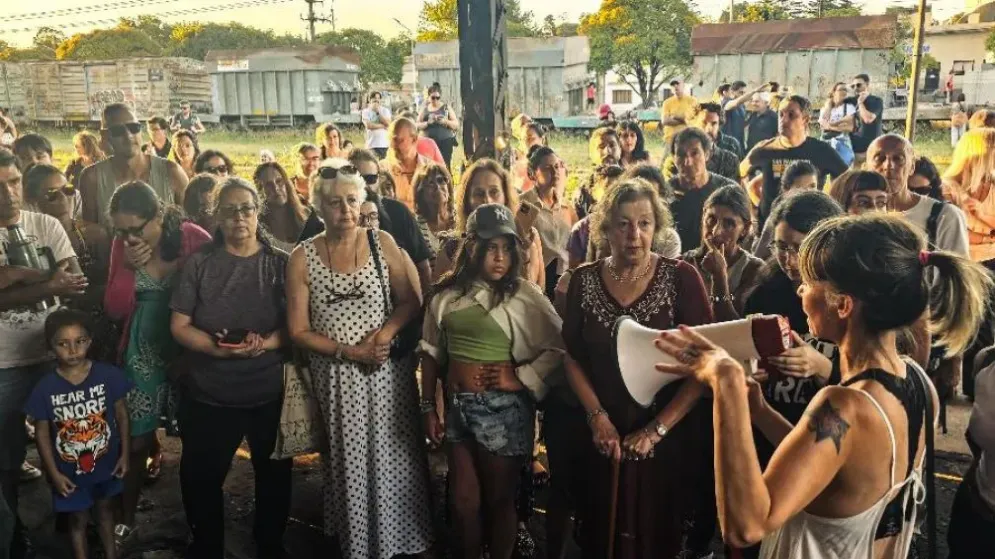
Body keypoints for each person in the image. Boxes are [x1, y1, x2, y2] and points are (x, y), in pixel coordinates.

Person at [655, 212, 988, 558]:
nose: (799, 289)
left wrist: (725, 385)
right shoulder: (917, 382)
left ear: (842, 305)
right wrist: (758, 410)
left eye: (810, 282)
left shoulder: (843, 406)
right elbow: (830, 464)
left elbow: (745, 526)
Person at [286, 158, 433, 558]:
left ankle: (401, 540)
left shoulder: (381, 242)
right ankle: (360, 543)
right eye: (335, 203)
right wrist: (349, 351)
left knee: (395, 454)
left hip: (387, 371)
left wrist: (383, 336)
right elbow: (298, 329)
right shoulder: (302, 257)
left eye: (352, 200)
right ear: (319, 207)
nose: (346, 210)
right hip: (336, 376)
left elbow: (412, 301)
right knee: (350, 459)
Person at [562, 179, 716, 557]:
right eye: (623, 224)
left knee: (655, 535)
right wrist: (597, 418)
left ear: (657, 227)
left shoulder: (682, 278)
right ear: (605, 228)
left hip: (667, 437)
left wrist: (656, 430)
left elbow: (705, 365)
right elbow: (571, 356)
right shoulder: (583, 281)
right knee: (602, 532)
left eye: (644, 223)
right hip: (603, 435)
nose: (634, 235)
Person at [421, 203, 564, 559]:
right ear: (471, 247)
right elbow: (431, 353)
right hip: (458, 412)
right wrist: (428, 406)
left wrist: (520, 378)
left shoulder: (524, 296)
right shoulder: (445, 296)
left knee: (501, 500)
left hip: (505, 413)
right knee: (463, 503)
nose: (499, 257)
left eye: (506, 247)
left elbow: (559, 348)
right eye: (490, 247)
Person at [170, 177, 291, 559]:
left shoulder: (281, 262)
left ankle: (269, 545)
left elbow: (299, 326)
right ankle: (206, 547)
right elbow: (179, 325)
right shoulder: (200, 264)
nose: (239, 217)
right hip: (210, 393)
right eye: (229, 210)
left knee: (274, 479)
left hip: (268, 392)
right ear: (216, 216)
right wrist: (217, 351)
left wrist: (264, 343)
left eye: (247, 209)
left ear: (258, 213)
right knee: (200, 479)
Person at [103, 182, 211, 540]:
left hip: (188, 350)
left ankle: (201, 519)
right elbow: (115, 308)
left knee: (197, 440)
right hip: (142, 352)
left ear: (160, 215)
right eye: (122, 230)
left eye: (137, 228)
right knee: (135, 441)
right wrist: (128, 269)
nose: (130, 237)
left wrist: (195, 352)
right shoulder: (123, 248)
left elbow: (214, 292)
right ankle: (126, 518)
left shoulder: (190, 236)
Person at [0, 149, 86, 559]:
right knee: (6, 459)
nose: (7, 193)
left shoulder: (46, 223)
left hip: (57, 359)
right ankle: (12, 536)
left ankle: (71, 530)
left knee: (70, 448)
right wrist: (46, 282)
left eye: (13, 182)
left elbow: (72, 282)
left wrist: (14, 279)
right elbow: (57, 283)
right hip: (3, 365)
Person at [24, 309, 131, 559]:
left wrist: (125, 454)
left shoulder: (109, 376)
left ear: (90, 341)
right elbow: (41, 435)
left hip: (107, 466)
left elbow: (122, 415)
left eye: (80, 342)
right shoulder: (45, 388)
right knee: (77, 521)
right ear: (50, 346)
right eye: (63, 344)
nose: (73, 351)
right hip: (69, 475)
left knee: (106, 513)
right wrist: (53, 474)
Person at [298, 148, 435, 295]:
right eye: (358, 178)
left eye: (370, 179)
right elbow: (302, 258)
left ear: (379, 179)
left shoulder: (398, 211)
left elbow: (423, 265)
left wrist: (425, 309)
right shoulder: (326, 214)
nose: (364, 185)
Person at [23, 165, 115, 362]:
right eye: (52, 194)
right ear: (32, 199)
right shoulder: (28, 243)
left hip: (95, 326)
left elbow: (110, 283)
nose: (64, 198)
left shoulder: (95, 234)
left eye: (68, 190)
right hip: (46, 333)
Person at [434, 159, 544, 289]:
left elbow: (536, 297)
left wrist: (523, 256)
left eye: (494, 192)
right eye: (479, 193)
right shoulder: (450, 247)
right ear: (467, 200)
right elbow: (439, 301)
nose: (487, 200)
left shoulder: (528, 238)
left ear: (506, 196)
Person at [742, 95, 847, 228]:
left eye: (791, 115)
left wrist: (828, 211)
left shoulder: (822, 151)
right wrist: (756, 209)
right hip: (769, 230)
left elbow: (845, 182)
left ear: (805, 119)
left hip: (807, 228)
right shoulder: (765, 149)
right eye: (781, 114)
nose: (783, 120)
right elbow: (739, 174)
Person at [80, 104, 187, 229]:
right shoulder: (92, 178)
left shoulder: (172, 172)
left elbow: (190, 229)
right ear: (105, 135)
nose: (128, 135)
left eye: (134, 127)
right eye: (118, 131)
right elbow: (91, 234)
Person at [681, 185, 763, 321]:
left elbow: (735, 329)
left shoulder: (755, 271)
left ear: (745, 228)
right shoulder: (684, 263)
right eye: (711, 219)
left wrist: (719, 276)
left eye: (729, 224)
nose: (715, 231)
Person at [669, 127, 739, 252]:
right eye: (681, 154)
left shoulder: (727, 191)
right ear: (674, 158)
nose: (688, 162)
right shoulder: (664, 192)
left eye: (694, 153)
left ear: (707, 154)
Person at [521, 146, 579, 297]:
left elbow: (577, 243)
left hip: (565, 278)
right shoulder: (524, 205)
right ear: (532, 173)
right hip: (537, 277)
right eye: (547, 168)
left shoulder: (567, 207)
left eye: (557, 166)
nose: (555, 172)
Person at [942, 128, 995, 261]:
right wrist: (987, 237)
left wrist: (982, 215)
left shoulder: (992, 183)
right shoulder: (946, 188)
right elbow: (952, 233)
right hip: (964, 263)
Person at [752, 161, 820, 261]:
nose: (808, 192)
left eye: (812, 186)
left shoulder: (822, 210)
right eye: (800, 188)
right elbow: (760, 255)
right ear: (786, 190)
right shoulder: (778, 217)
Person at [255, 162, 319, 255]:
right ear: (260, 191)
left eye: (279, 181)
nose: (275, 188)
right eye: (268, 184)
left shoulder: (308, 215)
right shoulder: (258, 228)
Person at [575, 127, 622, 220]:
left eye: (612, 145)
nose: (607, 151)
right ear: (592, 153)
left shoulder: (631, 180)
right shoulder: (585, 189)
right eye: (601, 147)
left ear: (620, 149)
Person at [387, 116, 432, 211]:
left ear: (414, 139)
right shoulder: (383, 170)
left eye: (398, 140)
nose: (393, 146)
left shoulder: (431, 169)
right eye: (391, 140)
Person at [412, 163, 454, 260]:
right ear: (420, 193)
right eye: (430, 183)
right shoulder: (414, 227)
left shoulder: (461, 219)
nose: (437, 187)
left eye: (441, 180)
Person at [418, 83, 460, 170]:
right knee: (429, 167)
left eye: (438, 98)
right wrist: (428, 123)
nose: (435, 100)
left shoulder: (446, 107)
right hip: (428, 143)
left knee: (445, 166)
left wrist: (445, 121)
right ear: (429, 97)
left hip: (445, 141)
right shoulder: (425, 109)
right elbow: (417, 124)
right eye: (433, 98)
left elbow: (456, 124)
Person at [846, 73, 884, 164]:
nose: (856, 88)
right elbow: (834, 99)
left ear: (867, 85)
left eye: (859, 85)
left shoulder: (876, 101)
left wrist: (860, 103)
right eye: (853, 86)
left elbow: (868, 119)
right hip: (857, 141)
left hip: (871, 142)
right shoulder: (852, 100)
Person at [819, 82, 857, 166]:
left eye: (845, 90)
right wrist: (828, 107)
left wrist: (830, 126)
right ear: (834, 92)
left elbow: (850, 127)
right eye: (841, 89)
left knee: (842, 169)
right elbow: (823, 125)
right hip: (826, 141)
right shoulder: (825, 109)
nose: (844, 92)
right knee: (821, 169)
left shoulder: (849, 108)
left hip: (842, 142)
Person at [722, 81, 769, 148]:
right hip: (728, 144)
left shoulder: (742, 106)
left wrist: (753, 116)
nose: (743, 95)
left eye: (744, 93)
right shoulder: (726, 102)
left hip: (739, 143)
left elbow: (742, 123)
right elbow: (736, 102)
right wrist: (755, 91)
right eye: (741, 92)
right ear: (732, 92)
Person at [660, 79, 698, 156]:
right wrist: (684, 119)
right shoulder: (667, 103)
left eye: (678, 84)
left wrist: (674, 116)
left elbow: (695, 119)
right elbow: (665, 121)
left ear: (683, 86)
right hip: (670, 140)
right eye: (673, 85)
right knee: (665, 165)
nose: (675, 86)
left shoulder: (692, 101)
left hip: (687, 139)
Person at [362, 92, 392, 158]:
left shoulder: (385, 110)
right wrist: (382, 126)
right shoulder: (365, 111)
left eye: (378, 98)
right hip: (371, 145)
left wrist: (377, 112)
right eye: (374, 98)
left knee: (384, 167)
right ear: (370, 99)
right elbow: (369, 126)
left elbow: (388, 123)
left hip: (384, 145)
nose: (377, 100)